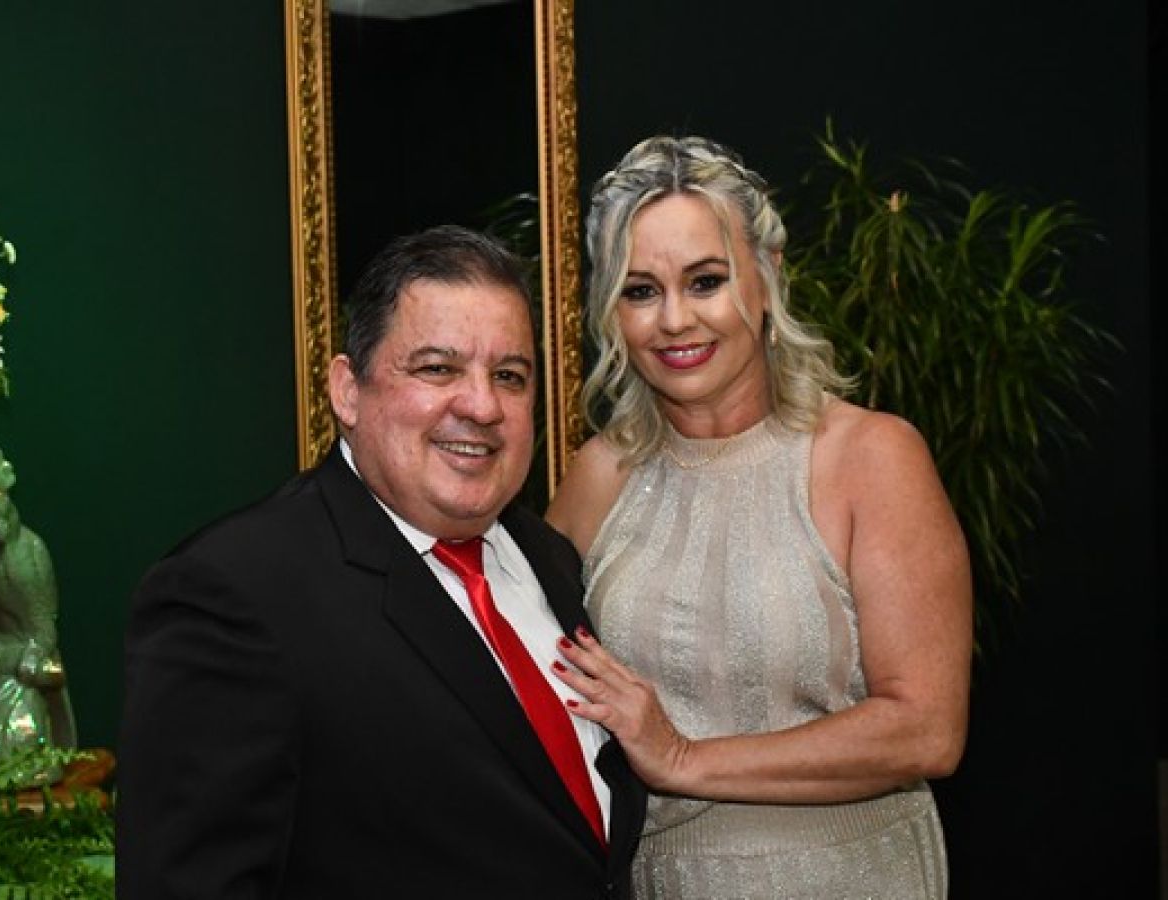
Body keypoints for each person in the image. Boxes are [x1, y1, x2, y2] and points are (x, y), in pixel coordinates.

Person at [118, 225, 645, 898]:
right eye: (438, 369)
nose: (483, 405)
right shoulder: (234, 594)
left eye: (509, 376)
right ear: (347, 390)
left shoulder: (551, 558)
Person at [545, 136, 972, 899]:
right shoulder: (597, 478)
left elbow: (926, 730)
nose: (675, 319)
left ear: (769, 276)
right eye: (640, 291)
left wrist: (683, 759)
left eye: (706, 281)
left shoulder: (872, 458)